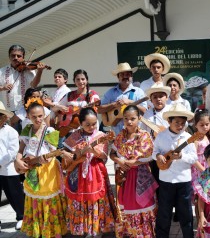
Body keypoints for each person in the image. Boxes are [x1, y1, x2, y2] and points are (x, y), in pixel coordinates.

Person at [13, 101, 68, 237]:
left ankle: (51, 231)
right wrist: (18, 160)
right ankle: (38, 230)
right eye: (34, 117)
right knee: (35, 197)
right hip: (32, 168)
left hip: (47, 170)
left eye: (40, 116)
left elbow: (49, 157)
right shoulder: (27, 130)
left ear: (44, 115)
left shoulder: (50, 132)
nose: (38, 119)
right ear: (28, 116)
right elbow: (21, 149)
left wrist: (36, 160)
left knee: (48, 197)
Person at [61, 108, 115, 237]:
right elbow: (65, 152)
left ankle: (96, 229)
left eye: (94, 124)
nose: (91, 127)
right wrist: (70, 155)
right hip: (77, 172)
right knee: (81, 200)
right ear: (80, 123)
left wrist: (93, 150)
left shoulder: (101, 136)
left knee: (95, 200)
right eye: (87, 125)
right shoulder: (74, 136)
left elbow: (104, 157)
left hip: (95, 171)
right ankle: (84, 228)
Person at [110, 105, 157, 237]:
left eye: (132, 118)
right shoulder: (120, 136)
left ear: (139, 119)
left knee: (143, 205)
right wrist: (119, 161)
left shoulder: (144, 135)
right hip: (125, 177)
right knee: (127, 205)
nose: (129, 122)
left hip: (140, 176)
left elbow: (149, 156)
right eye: (126, 119)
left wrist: (132, 162)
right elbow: (112, 153)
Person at [153, 103, 197, 238]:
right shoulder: (161, 136)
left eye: (183, 123)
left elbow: (193, 158)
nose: (180, 126)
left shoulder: (188, 138)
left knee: (186, 215)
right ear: (169, 121)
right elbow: (154, 152)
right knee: (164, 214)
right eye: (177, 122)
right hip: (166, 181)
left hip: (183, 181)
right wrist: (158, 156)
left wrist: (182, 156)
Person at [99, 63, 147, 135]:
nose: (125, 77)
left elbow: (145, 111)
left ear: (131, 76)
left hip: (135, 136)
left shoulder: (138, 92)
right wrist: (114, 104)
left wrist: (130, 102)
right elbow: (99, 110)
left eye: (127, 74)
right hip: (117, 135)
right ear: (118, 77)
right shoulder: (111, 92)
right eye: (122, 75)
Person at [0, 45, 45, 115]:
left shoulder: (28, 70)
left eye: (19, 56)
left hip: (24, 111)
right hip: (6, 111)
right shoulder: (1, 71)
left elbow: (33, 85)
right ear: (9, 57)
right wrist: (3, 88)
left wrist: (40, 71)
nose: (15, 58)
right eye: (13, 55)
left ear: (23, 58)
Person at [0, 101, 24, 231]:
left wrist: (0, 162)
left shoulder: (11, 132)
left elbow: (12, 151)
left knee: (14, 193)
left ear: (4, 117)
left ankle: (21, 217)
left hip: (9, 168)